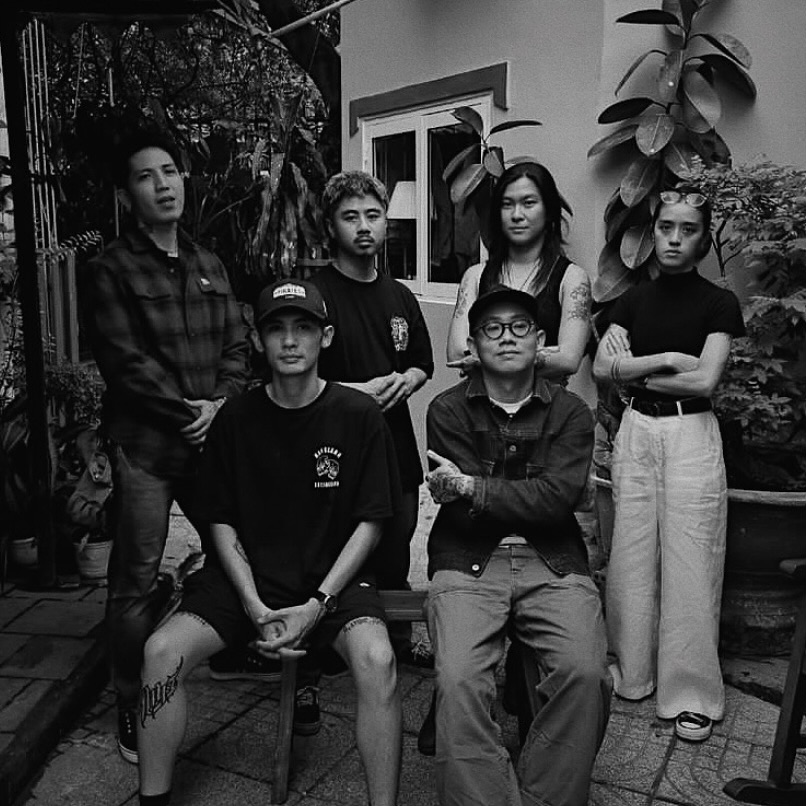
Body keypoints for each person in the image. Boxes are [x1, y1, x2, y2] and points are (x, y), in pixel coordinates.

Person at [137, 279, 402, 806]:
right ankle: (153, 798)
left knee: (379, 661)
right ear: (257, 340)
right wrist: (254, 604)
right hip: (246, 580)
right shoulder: (235, 418)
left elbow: (371, 523)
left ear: (326, 336)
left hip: (333, 581)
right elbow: (219, 520)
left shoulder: (359, 415)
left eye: (303, 327)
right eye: (276, 329)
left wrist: (318, 603)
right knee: (160, 652)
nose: (290, 340)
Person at [80, 131, 250, 764]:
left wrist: (221, 404)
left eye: (171, 171)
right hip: (146, 449)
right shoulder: (110, 270)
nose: (163, 183)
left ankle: (225, 647)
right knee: (136, 578)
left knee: (237, 551)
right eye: (146, 176)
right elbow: (125, 363)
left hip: (208, 447)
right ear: (129, 196)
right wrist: (189, 414)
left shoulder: (210, 263)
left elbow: (237, 345)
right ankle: (132, 699)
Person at [425, 285, 611, 806]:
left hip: (554, 562)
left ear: (540, 340)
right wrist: (522, 495)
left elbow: (558, 500)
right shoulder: (446, 410)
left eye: (520, 326)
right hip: (467, 560)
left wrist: (473, 487)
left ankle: (544, 797)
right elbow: (487, 506)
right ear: (473, 345)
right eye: (492, 328)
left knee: (585, 673)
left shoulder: (571, 412)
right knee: (458, 680)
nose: (507, 337)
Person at [593, 185, 745, 742]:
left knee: (692, 558)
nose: (674, 239)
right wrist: (666, 361)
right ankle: (632, 675)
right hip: (636, 432)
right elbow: (602, 370)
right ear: (653, 232)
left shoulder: (718, 303)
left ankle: (692, 694)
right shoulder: (632, 301)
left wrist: (635, 372)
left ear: (703, 240)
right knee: (630, 554)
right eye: (665, 228)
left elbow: (704, 380)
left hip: (691, 434)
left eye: (688, 230)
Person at [312, 171, 435, 670]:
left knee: (397, 541)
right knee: (336, 545)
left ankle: (398, 641)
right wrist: (354, 392)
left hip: (394, 443)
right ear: (331, 226)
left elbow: (423, 362)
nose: (364, 226)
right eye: (350, 217)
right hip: (334, 447)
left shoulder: (399, 296)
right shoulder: (316, 295)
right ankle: (331, 643)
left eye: (373, 215)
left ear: (386, 223)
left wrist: (407, 380)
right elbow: (294, 376)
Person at [446, 161, 591, 381]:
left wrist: (484, 357)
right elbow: (457, 353)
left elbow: (569, 359)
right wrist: (540, 354)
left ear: (549, 211)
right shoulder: (475, 276)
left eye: (528, 203)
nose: (516, 214)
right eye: (507, 204)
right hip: (481, 400)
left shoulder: (572, 278)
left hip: (545, 400)